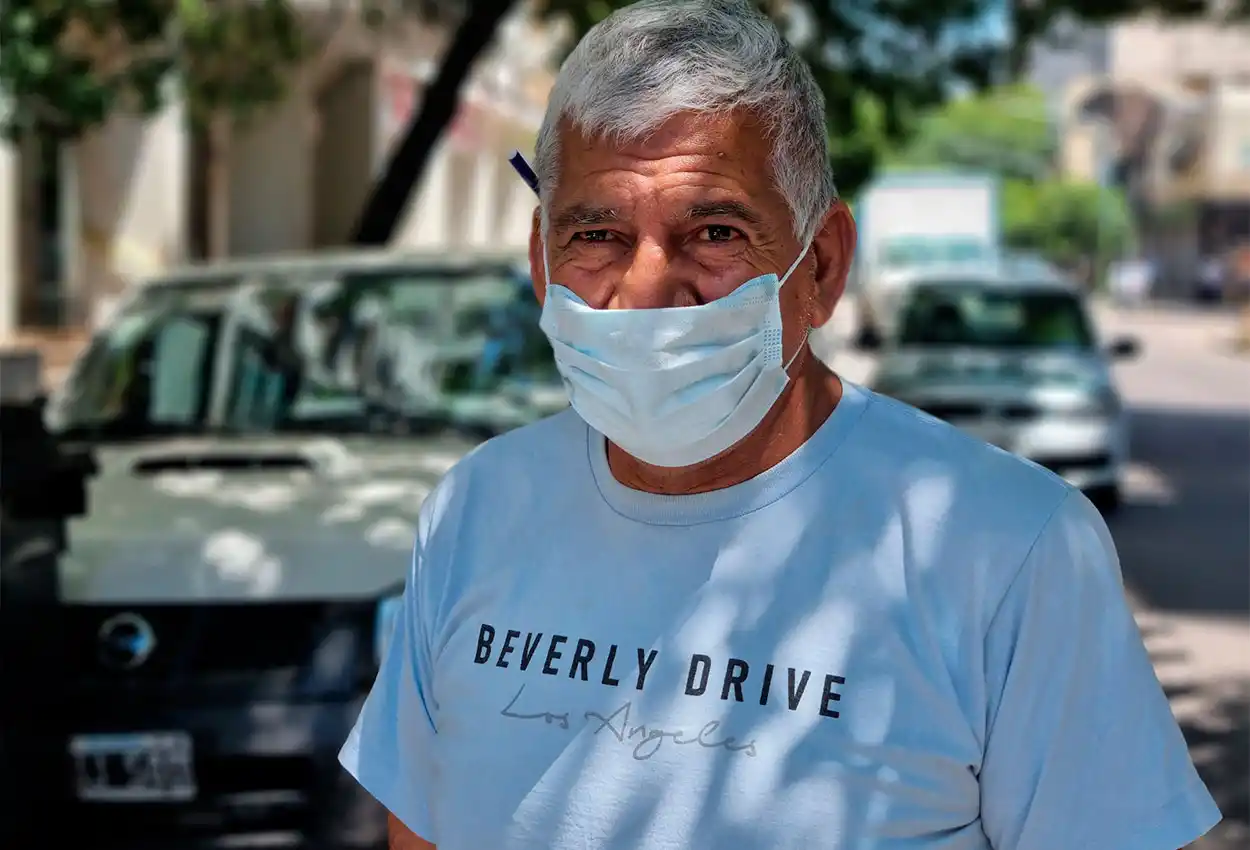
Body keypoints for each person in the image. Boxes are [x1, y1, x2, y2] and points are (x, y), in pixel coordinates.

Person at [339, 2, 1222, 849]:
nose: (647, 291)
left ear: (823, 267)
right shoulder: (475, 511)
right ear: (541, 262)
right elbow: (425, 827)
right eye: (597, 233)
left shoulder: (1006, 548)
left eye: (715, 231)